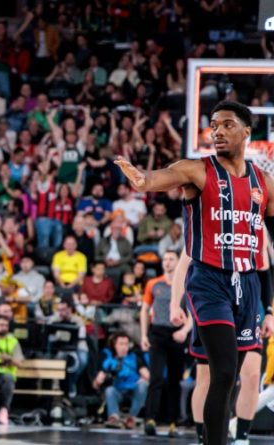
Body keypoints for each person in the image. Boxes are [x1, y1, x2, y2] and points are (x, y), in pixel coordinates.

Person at [116, 100, 274, 445]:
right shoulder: (197, 170)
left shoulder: (264, 181)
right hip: (208, 281)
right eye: (213, 125)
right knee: (223, 371)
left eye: (227, 124)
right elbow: (153, 180)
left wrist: (271, 306)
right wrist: (142, 179)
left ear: (247, 132)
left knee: (236, 375)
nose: (217, 131)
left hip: (248, 283)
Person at [171, 252, 273, 445]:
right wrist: (175, 304)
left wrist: (269, 311)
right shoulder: (206, 225)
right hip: (213, 299)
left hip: (248, 305)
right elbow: (184, 263)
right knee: (210, 377)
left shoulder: (257, 226)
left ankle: (241, 437)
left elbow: (265, 270)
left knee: (249, 377)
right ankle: (204, 437)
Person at [140, 249, 191, 437]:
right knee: (156, 377)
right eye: (165, 259)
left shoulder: (186, 283)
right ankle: (150, 419)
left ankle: (172, 422)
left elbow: (193, 310)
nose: (167, 262)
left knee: (175, 380)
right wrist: (144, 335)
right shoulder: (154, 283)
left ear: (178, 262)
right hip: (158, 332)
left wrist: (185, 331)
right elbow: (145, 310)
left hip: (177, 334)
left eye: (171, 259)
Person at [93, 332, 150, 429]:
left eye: (126, 344)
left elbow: (148, 376)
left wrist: (143, 379)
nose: (124, 347)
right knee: (109, 390)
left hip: (133, 391)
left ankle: (132, 418)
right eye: (121, 344)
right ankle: (114, 418)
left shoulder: (134, 358)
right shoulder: (109, 361)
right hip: (118, 391)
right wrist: (99, 380)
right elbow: (95, 384)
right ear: (114, 345)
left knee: (143, 385)